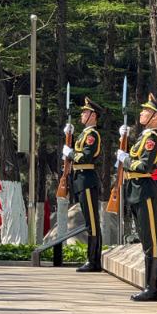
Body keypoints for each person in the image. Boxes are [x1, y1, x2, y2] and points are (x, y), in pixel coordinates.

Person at [116, 93, 157, 302]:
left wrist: (126, 159)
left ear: (154, 116)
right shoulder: (143, 137)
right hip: (135, 189)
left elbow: (145, 166)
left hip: (145, 190)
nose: (141, 113)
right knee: (145, 240)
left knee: (151, 241)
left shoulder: (152, 138)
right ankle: (148, 285)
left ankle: (152, 288)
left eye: (146, 110)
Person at [62, 97, 104, 272]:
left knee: (92, 222)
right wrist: (69, 139)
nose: (82, 114)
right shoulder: (84, 134)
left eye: (85, 112)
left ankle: (94, 261)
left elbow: (84, 156)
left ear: (92, 116)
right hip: (81, 179)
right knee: (89, 221)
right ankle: (92, 260)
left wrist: (70, 153)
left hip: (87, 179)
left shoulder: (92, 135)